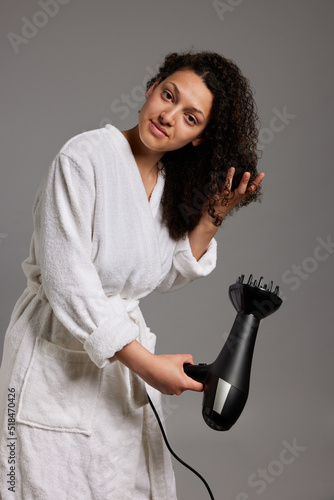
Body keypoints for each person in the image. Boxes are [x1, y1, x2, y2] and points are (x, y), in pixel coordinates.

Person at [0, 50, 264, 499]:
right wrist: (148, 366)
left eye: (190, 117)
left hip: (119, 374)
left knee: (118, 484)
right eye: (168, 95)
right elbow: (68, 284)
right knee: (42, 483)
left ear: (200, 137)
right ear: (151, 88)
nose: (169, 116)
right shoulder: (83, 159)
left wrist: (214, 215)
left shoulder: (166, 185)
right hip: (56, 356)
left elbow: (159, 274)